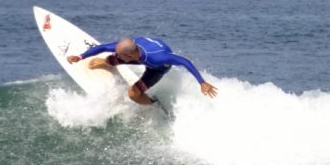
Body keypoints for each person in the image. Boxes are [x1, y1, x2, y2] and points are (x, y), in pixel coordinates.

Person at [67, 37, 217, 105]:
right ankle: (107, 63)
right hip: (140, 56)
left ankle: (153, 104)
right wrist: (80, 56)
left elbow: (184, 61)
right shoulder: (129, 46)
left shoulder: (159, 58)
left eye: (120, 54)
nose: (116, 53)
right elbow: (103, 47)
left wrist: (202, 82)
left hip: (156, 69)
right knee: (110, 59)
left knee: (133, 94)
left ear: (131, 54)